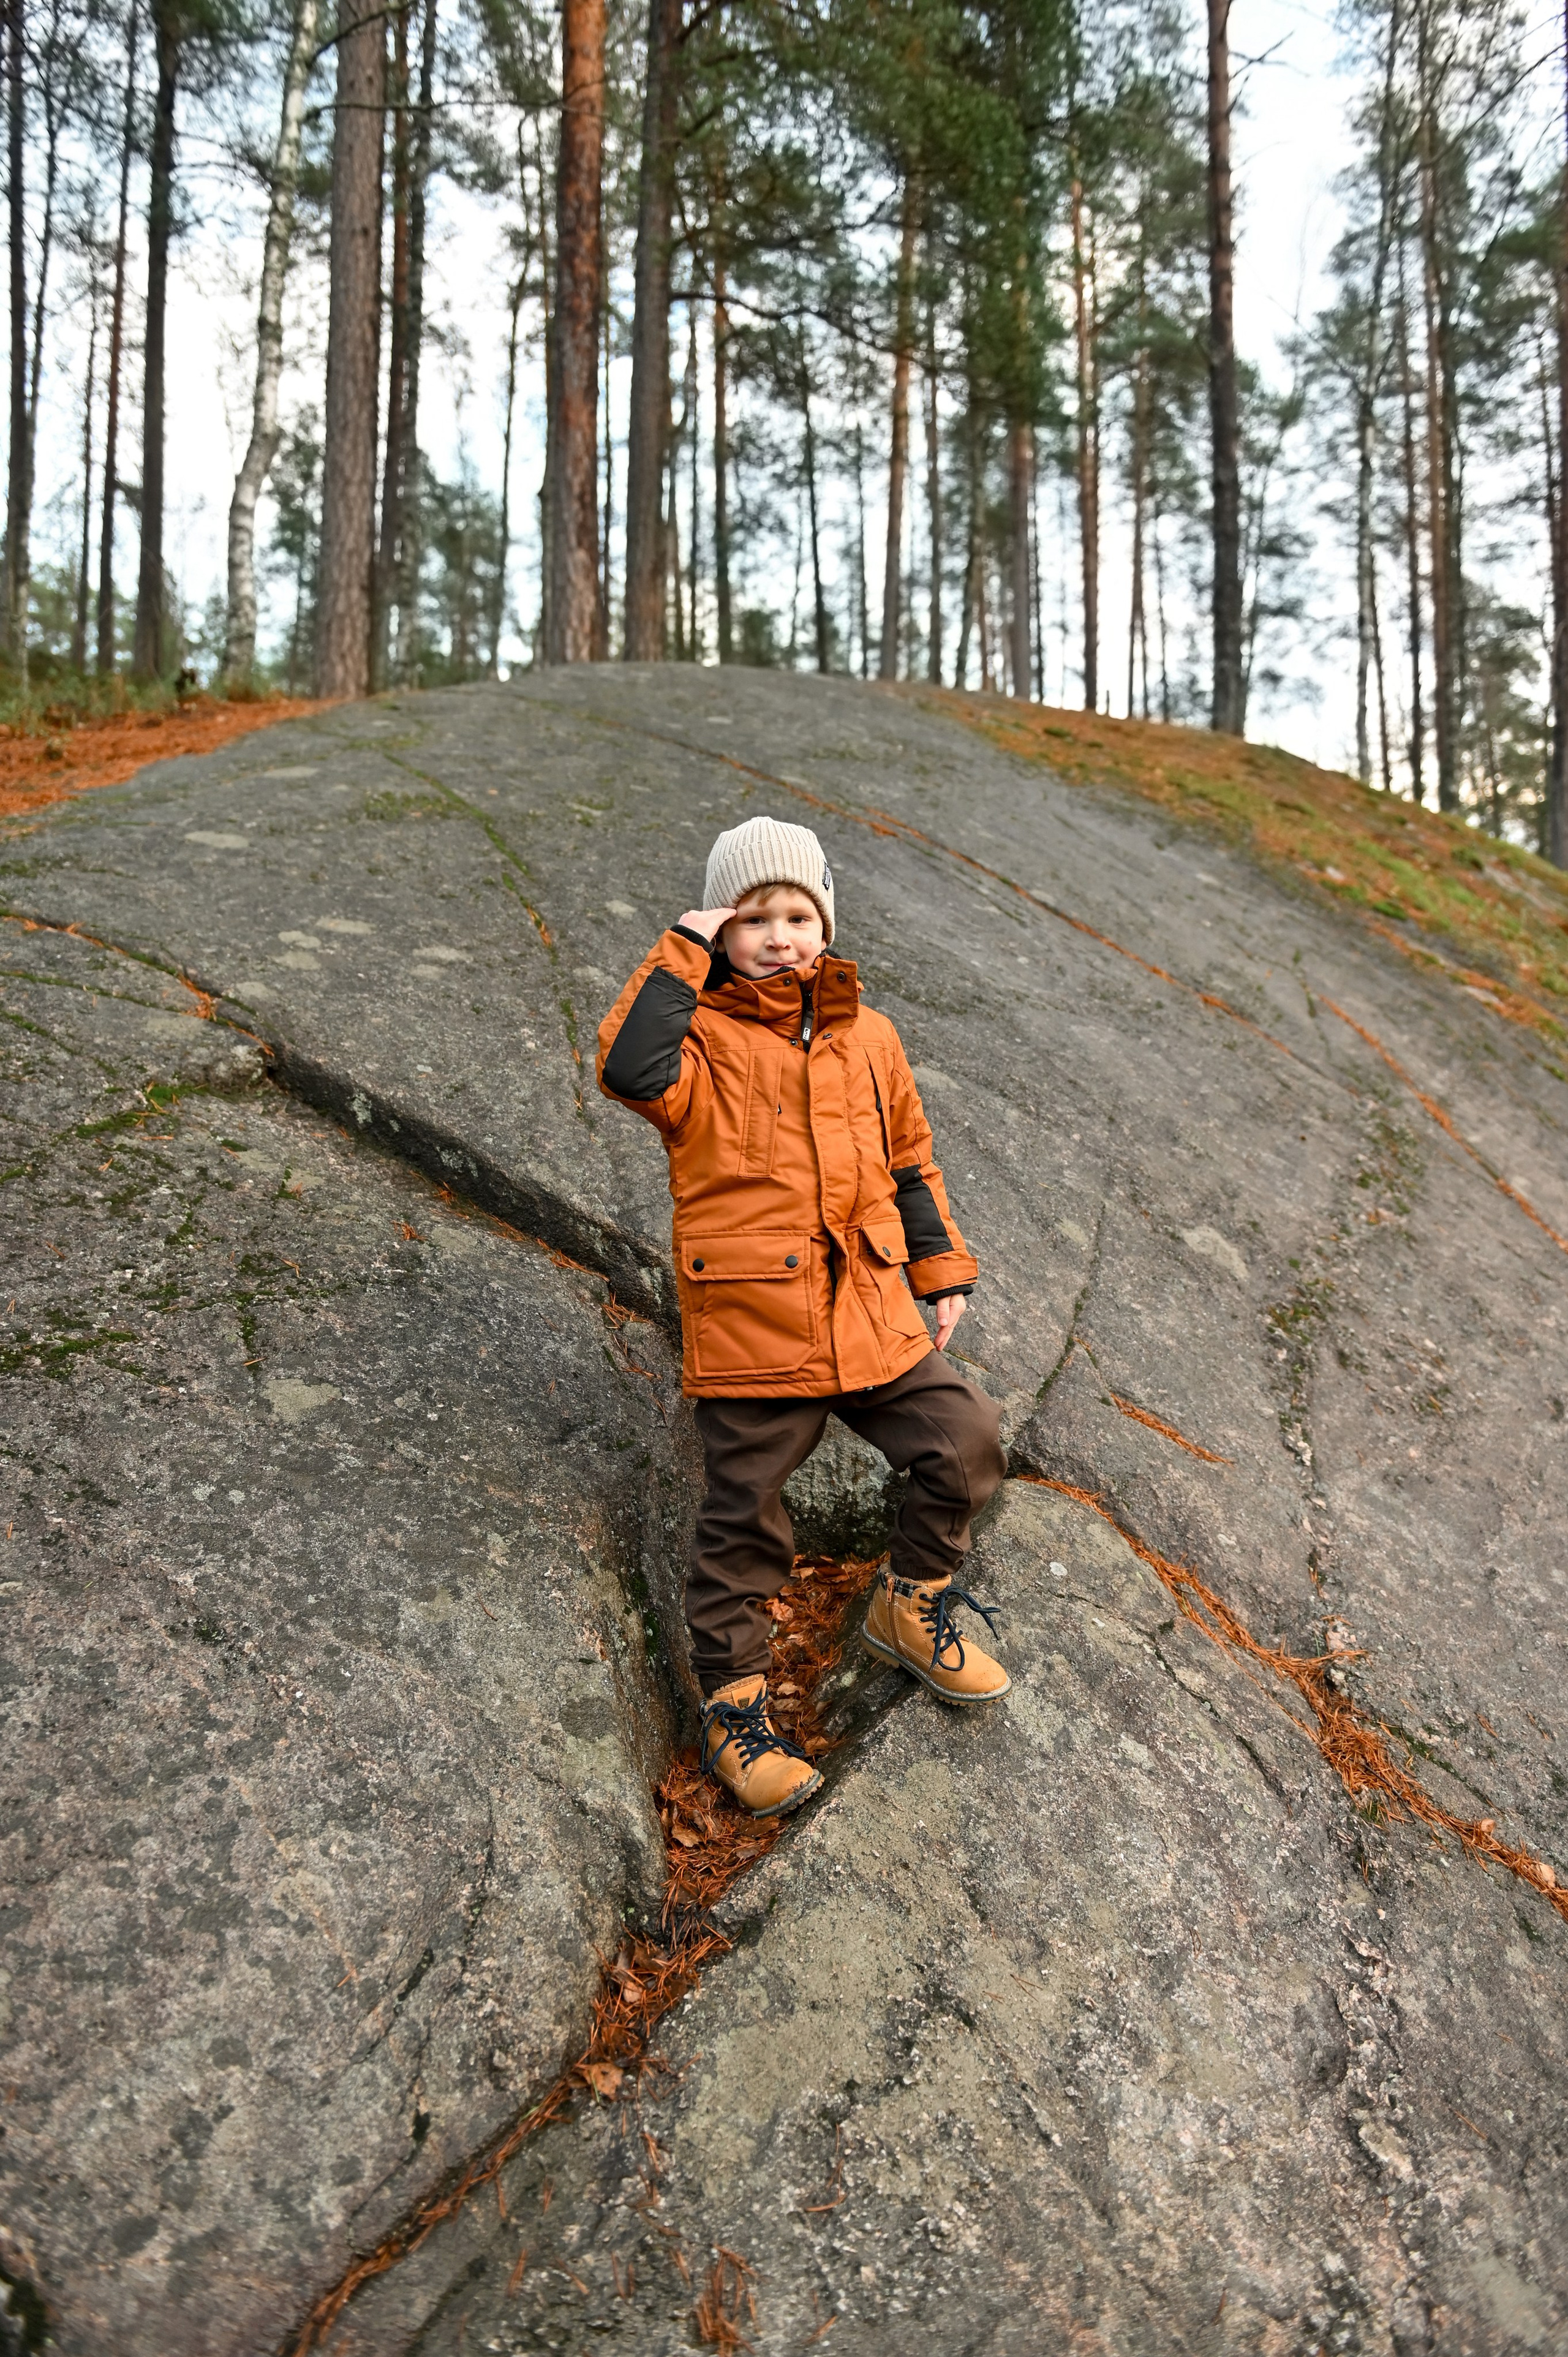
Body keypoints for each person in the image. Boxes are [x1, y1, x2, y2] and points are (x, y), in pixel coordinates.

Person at [596, 814, 1008, 1819]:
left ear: (824, 921)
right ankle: (737, 1712)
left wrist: (939, 1270)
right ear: (722, 928)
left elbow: (910, 1159)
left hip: (868, 1306)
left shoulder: (871, 1037)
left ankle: (909, 1606)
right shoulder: (697, 1036)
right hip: (752, 1322)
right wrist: (681, 954)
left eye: (797, 913)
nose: (779, 935)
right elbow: (627, 1071)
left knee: (965, 1440)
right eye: (753, 917)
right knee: (744, 1526)